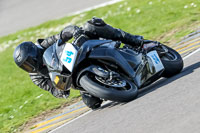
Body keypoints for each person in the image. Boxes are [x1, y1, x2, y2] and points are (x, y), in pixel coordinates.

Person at [13, 17, 148, 109]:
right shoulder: (36, 76)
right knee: (92, 103)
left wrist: (75, 32)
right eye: (25, 66)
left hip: (78, 56)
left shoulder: (43, 45)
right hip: (74, 79)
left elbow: (61, 35)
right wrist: (60, 90)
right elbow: (51, 89)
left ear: (34, 52)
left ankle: (134, 40)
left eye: (29, 61)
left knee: (92, 25)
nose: (30, 66)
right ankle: (115, 81)